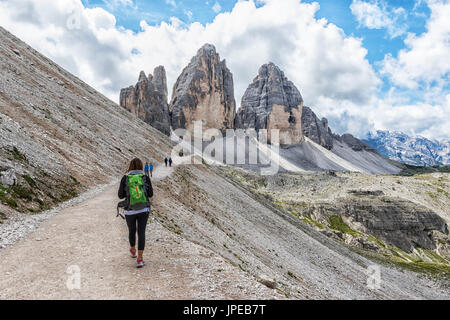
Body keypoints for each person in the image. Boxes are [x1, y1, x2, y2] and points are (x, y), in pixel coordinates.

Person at [118, 158, 153, 268]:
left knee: (132, 230)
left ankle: (133, 250)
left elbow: (120, 195)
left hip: (130, 210)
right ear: (141, 166)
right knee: (141, 232)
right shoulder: (145, 177)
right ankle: (140, 259)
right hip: (143, 209)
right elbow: (151, 194)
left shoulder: (125, 178)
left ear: (130, 166)